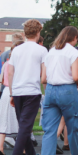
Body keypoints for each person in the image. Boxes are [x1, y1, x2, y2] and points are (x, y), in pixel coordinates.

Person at [40, 26, 78, 155]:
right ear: (75, 37)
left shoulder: (51, 51)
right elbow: (76, 76)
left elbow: (43, 78)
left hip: (50, 91)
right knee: (73, 128)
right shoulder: (73, 52)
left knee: (49, 130)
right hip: (67, 90)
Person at [6, 19, 48, 155]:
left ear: (24, 33)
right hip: (32, 91)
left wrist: (12, 93)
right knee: (25, 129)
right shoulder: (42, 50)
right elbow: (44, 77)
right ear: (38, 32)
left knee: (24, 127)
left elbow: (10, 72)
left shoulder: (16, 50)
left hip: (17, 91)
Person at [0, 36, 25, 155]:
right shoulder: (20, 64)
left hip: (5, 91)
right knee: (21, 121)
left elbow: (1, 79)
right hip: (16, 91)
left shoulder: (6, 63)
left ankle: (0, 147)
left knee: (3, 120)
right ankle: (23, 149)